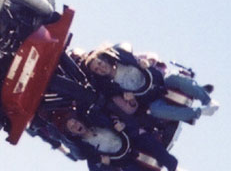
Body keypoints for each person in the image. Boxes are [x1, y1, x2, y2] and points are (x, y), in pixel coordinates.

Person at [80, 44, 219, 123]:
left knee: (175, 78)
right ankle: (198, 113)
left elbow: (151, 56)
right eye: (97, 70)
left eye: (99, 63)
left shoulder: (122, 59)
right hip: (150, 97)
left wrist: (148, 62)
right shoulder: (111, 87)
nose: (101, 68)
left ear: (103, 59)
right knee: (156, 111)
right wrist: (132, 100)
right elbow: (130, 109)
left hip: (160, 79)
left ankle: (206, 99)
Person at [61, 115, 186, 171]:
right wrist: (105, 165)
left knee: (150, 142)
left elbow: (116, 119)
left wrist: (121, 125)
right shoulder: (88, 150)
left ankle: (174, 167)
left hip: (130, 141)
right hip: (122, 160)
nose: (75, 125)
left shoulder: (97, 122)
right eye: (72, 127)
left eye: (75, 122)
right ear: (73, 134)